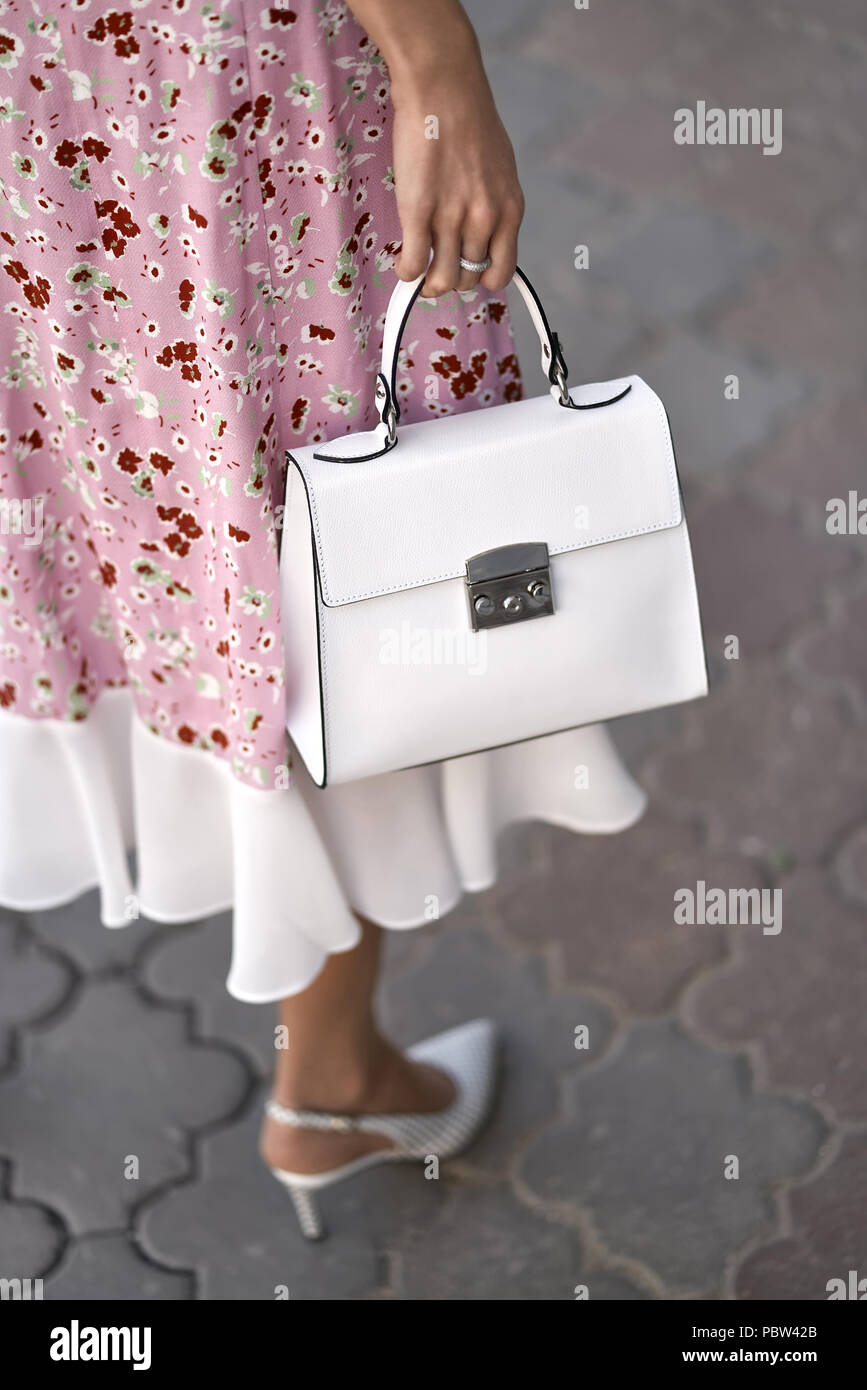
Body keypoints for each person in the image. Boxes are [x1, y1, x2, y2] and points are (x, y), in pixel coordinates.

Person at [0, 0, 645, 1239]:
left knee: (74, 509)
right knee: (327, 545)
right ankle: (332, 1082)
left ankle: (335, 1081)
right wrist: (434, 55)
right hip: (199, 77)